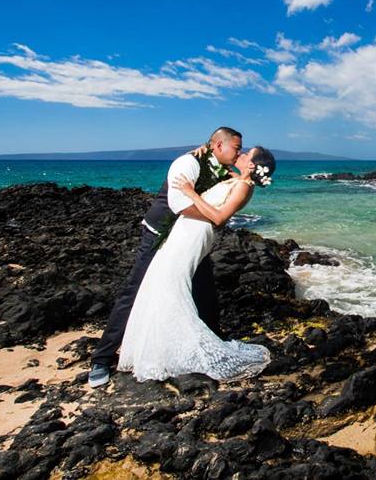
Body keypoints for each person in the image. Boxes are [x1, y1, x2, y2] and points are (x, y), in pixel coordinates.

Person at [88, 127, 243, 387]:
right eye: (236, 147)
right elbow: (178, 204)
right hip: (159, 236)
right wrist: (217, 219)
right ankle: (101, 359)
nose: (240, 152)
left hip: (187, 241)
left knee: (204, 291)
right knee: (135, 292)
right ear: (218, 146)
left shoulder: (221, 168)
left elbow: (238, 182)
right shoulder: (187, 162)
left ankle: (213, 342)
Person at [117, 146, 276, 382]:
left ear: (251, 165)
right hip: (185, 230)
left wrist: (190, 193)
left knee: (173, 286)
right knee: (162, 282)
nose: (239, 155)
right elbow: (215, 165)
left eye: (245, 155)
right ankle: (159, 344)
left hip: (196, 234)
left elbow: (220, 219)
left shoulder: (243, 186)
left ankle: (173, 350)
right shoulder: (236, 179)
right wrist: (202, 150)